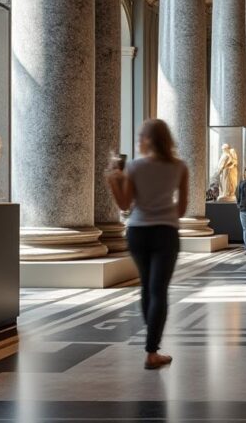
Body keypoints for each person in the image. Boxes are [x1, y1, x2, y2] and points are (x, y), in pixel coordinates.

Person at [105, 119, 187, 370]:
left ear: (149, 140)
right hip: (166, 232)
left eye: (141, 136)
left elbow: (124, 205)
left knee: (146, 287)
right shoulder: (180, 167)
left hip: (138, 232)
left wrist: (112, 180)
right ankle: (152, 351)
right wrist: (163, 210)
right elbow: (182, 209)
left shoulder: (135, 166)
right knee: (158, 290)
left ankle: (151, 345)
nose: (139, 140)